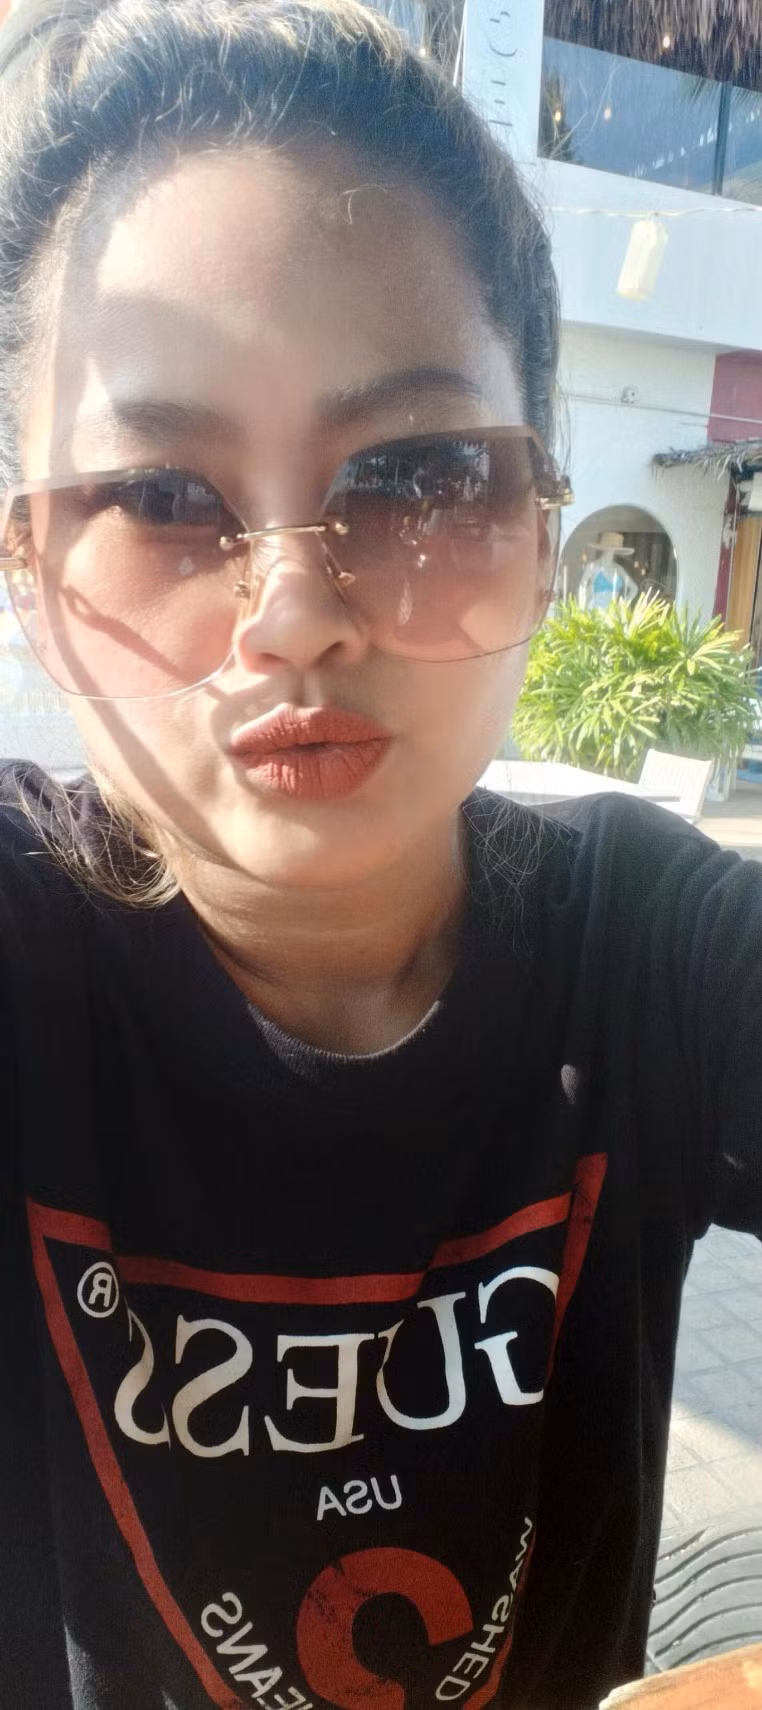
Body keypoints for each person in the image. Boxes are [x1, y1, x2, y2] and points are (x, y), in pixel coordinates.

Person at [0, 4, 759, 1709]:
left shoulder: (652, 945)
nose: (292, 616)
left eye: (415, 476)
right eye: (160, 496)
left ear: (544, 530)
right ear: (32, 574)